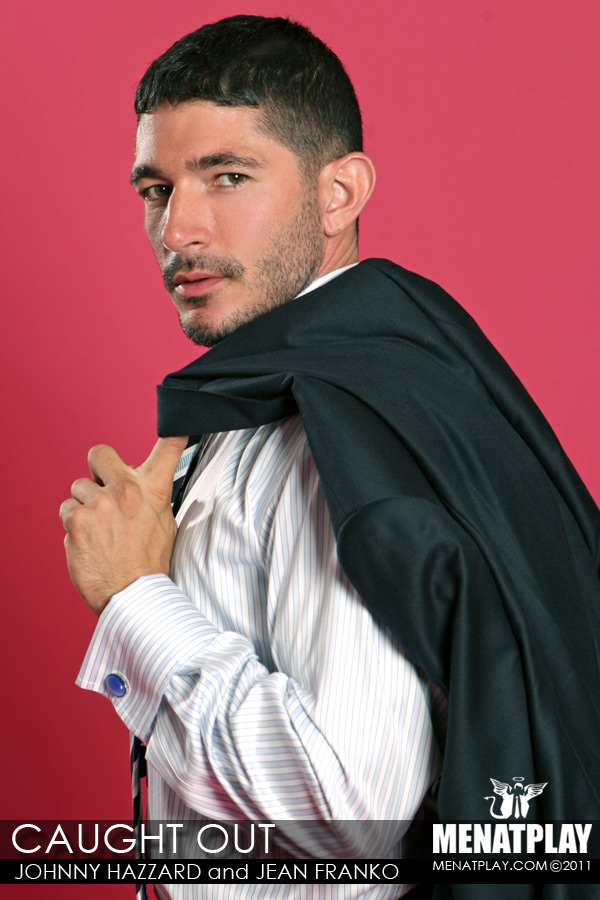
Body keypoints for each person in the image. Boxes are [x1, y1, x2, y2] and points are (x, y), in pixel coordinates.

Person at [60, 15, 600, 900]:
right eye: (156, 189)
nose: (178, 228)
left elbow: (354, 817)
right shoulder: (344, 372)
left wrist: (136, 598)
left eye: (228, 177)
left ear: (340, 192)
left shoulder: (331, 427)